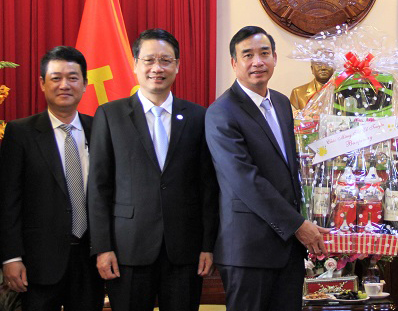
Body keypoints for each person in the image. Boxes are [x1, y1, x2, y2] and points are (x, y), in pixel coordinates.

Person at [87, 29, 219, 311]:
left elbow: (208, 186)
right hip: (127, 250)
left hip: (184, 250)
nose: (157, 68)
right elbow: (99, 187)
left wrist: (208, 245)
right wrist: (102, 247)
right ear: (135, 65)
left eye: (165, 60)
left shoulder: (199, 116)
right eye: (148, 60)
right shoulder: (110, 115)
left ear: (177, 65)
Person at [205, 26, 328, 311]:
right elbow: (246, 180)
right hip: (249, 250)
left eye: (264, 53)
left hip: (287, 250)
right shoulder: (221, 112)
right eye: (247, 55)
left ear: (275, 58)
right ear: (234, 64)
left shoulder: (283, 103)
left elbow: (293, 168)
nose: (257, 61)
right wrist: (298, 225)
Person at [0, 46, 104, 311]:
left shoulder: (101, 129)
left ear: (85, 83)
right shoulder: (19, 133)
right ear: (42, 83)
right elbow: (8, 199)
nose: (64, 85)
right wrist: (11, 257)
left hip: (91, 259)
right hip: (38, 262)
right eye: (56, 78)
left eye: (72, 77)